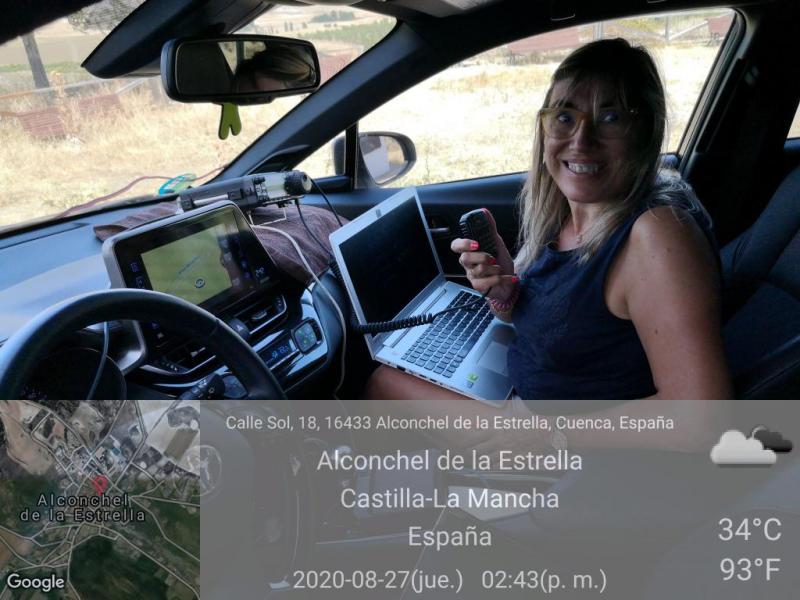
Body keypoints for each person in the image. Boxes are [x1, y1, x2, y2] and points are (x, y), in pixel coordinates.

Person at [364, 38, 733, 424]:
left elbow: (700, 418)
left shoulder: (658, 235)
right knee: (392, 378)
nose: (581, 140)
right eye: (565, 117)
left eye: (610, 118)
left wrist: (544, 433)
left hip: (572, 442)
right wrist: (504, 292)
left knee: (383, 385)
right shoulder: (564, 213)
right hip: (528, 404)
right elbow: (548, 323)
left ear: (644, 131)